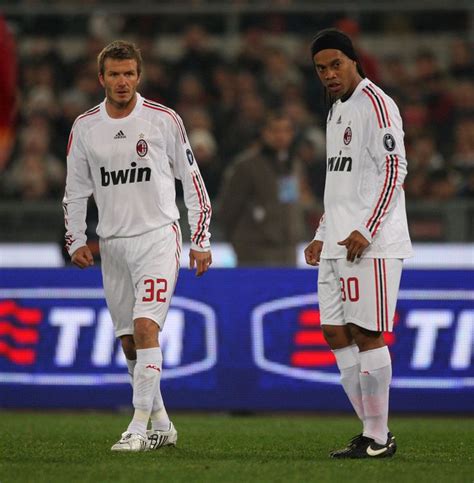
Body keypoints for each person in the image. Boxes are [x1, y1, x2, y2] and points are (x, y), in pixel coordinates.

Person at [63, 40, 212, 452]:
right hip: (112, 242)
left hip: (158, 237)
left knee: (147, 328)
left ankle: (138, 428)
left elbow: (192, 179)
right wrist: (76, 237)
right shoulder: (85, 127)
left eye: (129, 73)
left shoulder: (164, 119)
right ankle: (163, 423)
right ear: (101, 79)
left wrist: (200, 238)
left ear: (139, 76)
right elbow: (76, 190)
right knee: (128, 340)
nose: (122, 81)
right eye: (114, 74)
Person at [304, 29, 412, 459]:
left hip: (373, 243)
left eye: (336, 64)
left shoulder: (378, 103)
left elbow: (394, 169)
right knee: (334, 333)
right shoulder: (335, 111)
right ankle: (370, 431)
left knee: (367, 333)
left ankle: (379, 436)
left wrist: (367, 229)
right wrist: (320, 233)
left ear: (354, 61)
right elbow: (339, 185)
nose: (329, 74)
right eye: (321, 68)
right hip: (337, 240)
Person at [219, 112, 304, 266]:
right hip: (254, 250)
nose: (281, 136)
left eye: (286, 130)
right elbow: (229, 208)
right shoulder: (246, 165)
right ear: (264, 133)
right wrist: (238, 243)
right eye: (275, 130)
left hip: (288, 250)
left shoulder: (293, 164)